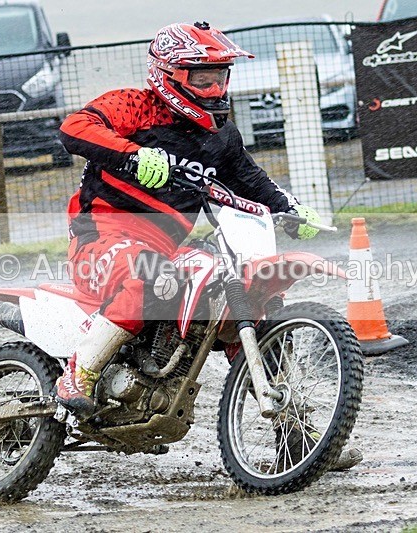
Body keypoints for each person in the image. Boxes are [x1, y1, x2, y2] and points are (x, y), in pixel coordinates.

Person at [55, 22, 361, 471]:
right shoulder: (132, 106)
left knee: (244, 306)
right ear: (170, 75)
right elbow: (74, 127)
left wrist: (290, 208)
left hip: (168, 245)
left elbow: (251, 180)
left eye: (222, 76)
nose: (216, 87)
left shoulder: (221, 135)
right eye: (203, 78)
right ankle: (75, 376)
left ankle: (294, 435)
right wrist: (132, 154)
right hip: (103, 235)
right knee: (147, 278)